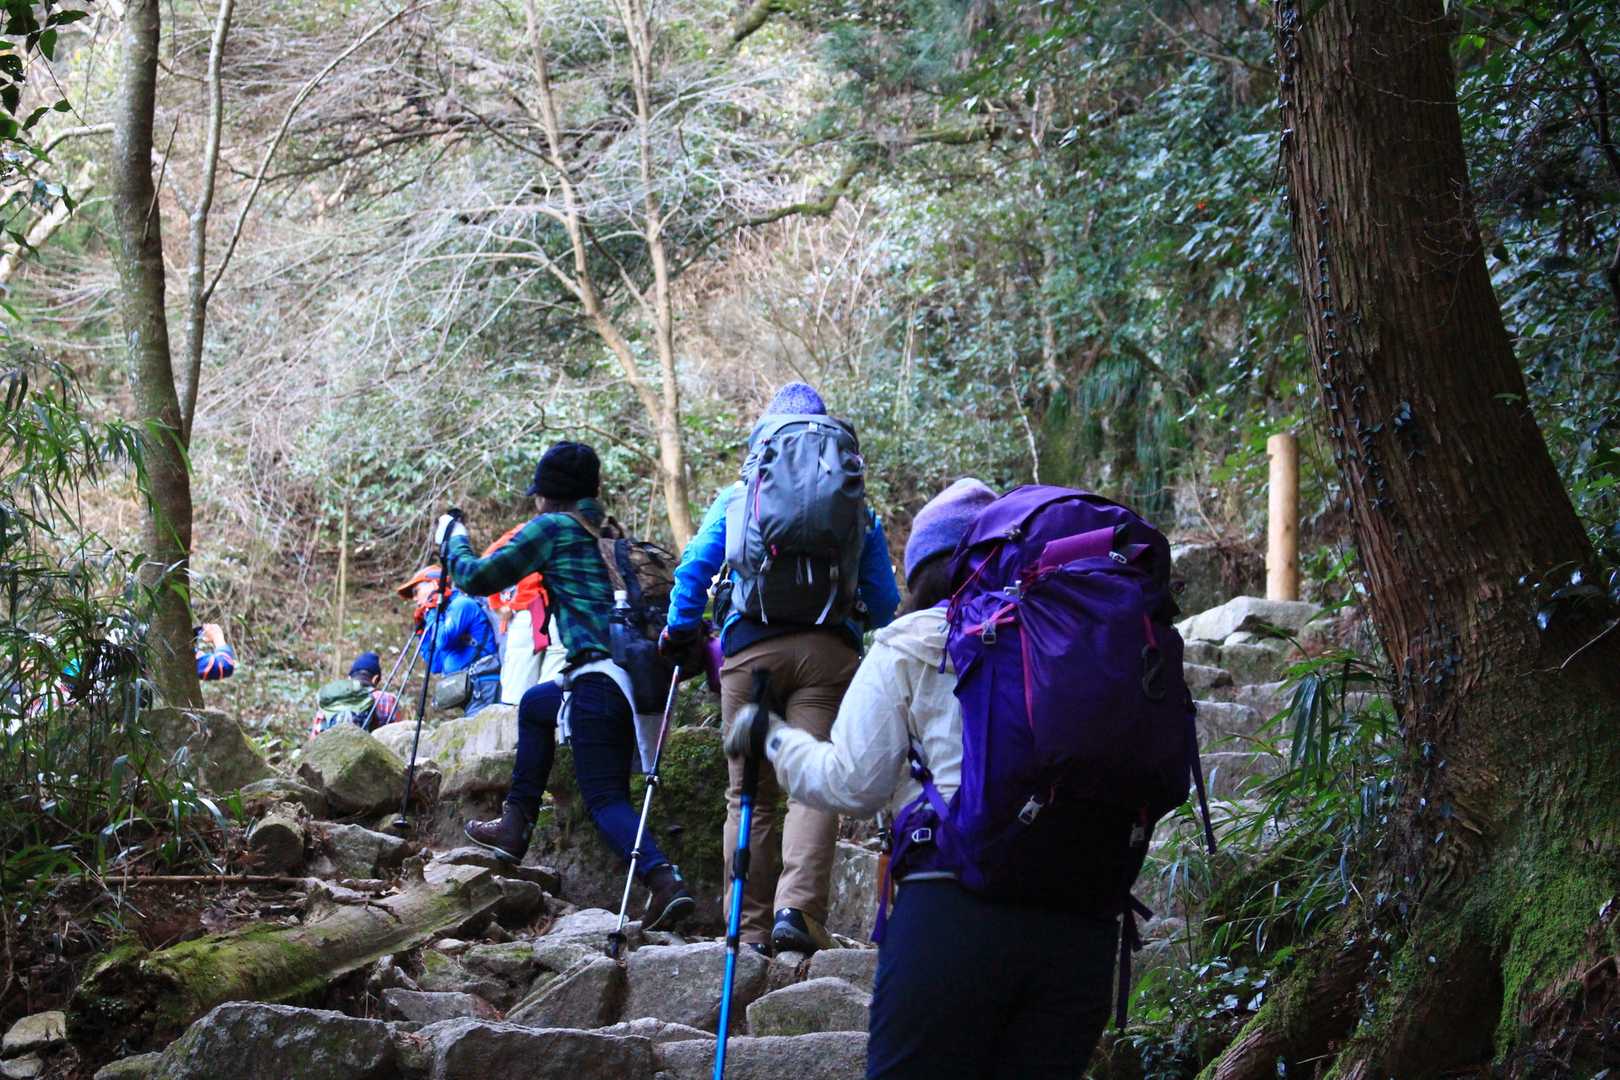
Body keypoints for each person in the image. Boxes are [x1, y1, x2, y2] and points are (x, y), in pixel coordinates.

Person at [725, 478, 1119, 1078]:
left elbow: (851, 784)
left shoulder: (913, 640)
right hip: (1084, 916)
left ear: (924, 570)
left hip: (952, 903)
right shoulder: (1077, 638)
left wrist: (771, 736)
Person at [662, 382, 901, 955]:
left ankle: (745, 929)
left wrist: (679, 629)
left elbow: (694, 568)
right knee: (812, 785)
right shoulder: (854, 506)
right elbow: (885, 603)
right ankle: (797, 915)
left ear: (766, 438)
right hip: (827, 657)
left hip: (751, 655)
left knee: (747, 795)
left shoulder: (740, 496)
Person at [439, 441, 694, 930]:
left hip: (600, 681)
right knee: (537, 704)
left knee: (604, 799)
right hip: (637, 679)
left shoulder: (554, 528)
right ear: (594, 488)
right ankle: (515, 825)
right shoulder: (608, 532)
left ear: (546, 495)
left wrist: (455, 538)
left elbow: (476, 577)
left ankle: (664, 881)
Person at [483, 525, 569, 705]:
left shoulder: (529, 531)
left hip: (538, 613)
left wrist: (497, 603)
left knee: (521, 693)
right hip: (551, 611)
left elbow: (487, 563)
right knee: (545, 689)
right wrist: (497, 603)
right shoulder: (571, 530)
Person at [399, 566, 502, 717]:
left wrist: (432, 612)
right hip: (468, 688)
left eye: (416, 591)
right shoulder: (443, 616)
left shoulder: (461, 605)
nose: (415, 598)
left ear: (434, 584)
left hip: (483, 684)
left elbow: (443, 641)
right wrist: (423, 635)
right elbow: (435, 665)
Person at [310, 651, 400, 738]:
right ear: (375, 679)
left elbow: (314, 737)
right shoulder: (388, 699)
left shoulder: (332, 698)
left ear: (349, 678)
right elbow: (398, 735)